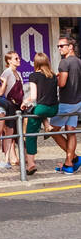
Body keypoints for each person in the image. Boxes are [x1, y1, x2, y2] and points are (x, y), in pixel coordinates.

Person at [23, 53, 59, 176]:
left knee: (30, 135)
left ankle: (31, 164)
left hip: (41, 109)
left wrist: (24, 102)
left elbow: (33, 97)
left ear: (35, 63)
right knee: (40, 111)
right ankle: (47, 125)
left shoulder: (34, 76)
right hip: (54, 109)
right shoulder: (54, 76)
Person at [51, 35, 81, 173]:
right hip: (77, 101)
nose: (59, 48)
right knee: (71, 132)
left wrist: (52, 80)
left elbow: (62, 83)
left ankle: (73, 159)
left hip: (66, 102)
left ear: (70, 47)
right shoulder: (79, 62)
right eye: (58, 46)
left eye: (62, 46)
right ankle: (70, 163)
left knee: (53, 131)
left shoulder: (64, 63)